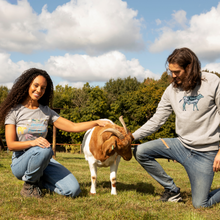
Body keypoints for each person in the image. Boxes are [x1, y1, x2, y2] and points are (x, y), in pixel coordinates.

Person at [0, 68, 110, 199]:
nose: (39, 90)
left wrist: (97, 122)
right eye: (36, 85)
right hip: (21, 161)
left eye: (43, 88)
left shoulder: (46, 111)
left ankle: (38, 183)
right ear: (27, 84)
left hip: (44, 159)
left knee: (73, 190)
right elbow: (11, 145)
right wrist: (33, 143)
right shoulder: (14, 111)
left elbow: (73, 126)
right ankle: (29, 185)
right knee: (45, 149)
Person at [132, 47, 220, 208]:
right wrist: (131, 137)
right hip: (181, 146)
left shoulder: (213, 82)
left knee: (200, 205)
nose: (173, 75)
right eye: (170, 71)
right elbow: (157, 120)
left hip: (206, 153)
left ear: (190, 68)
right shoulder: (171, 90)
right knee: (140, 151)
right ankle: (172, 191)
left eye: (177, 71)